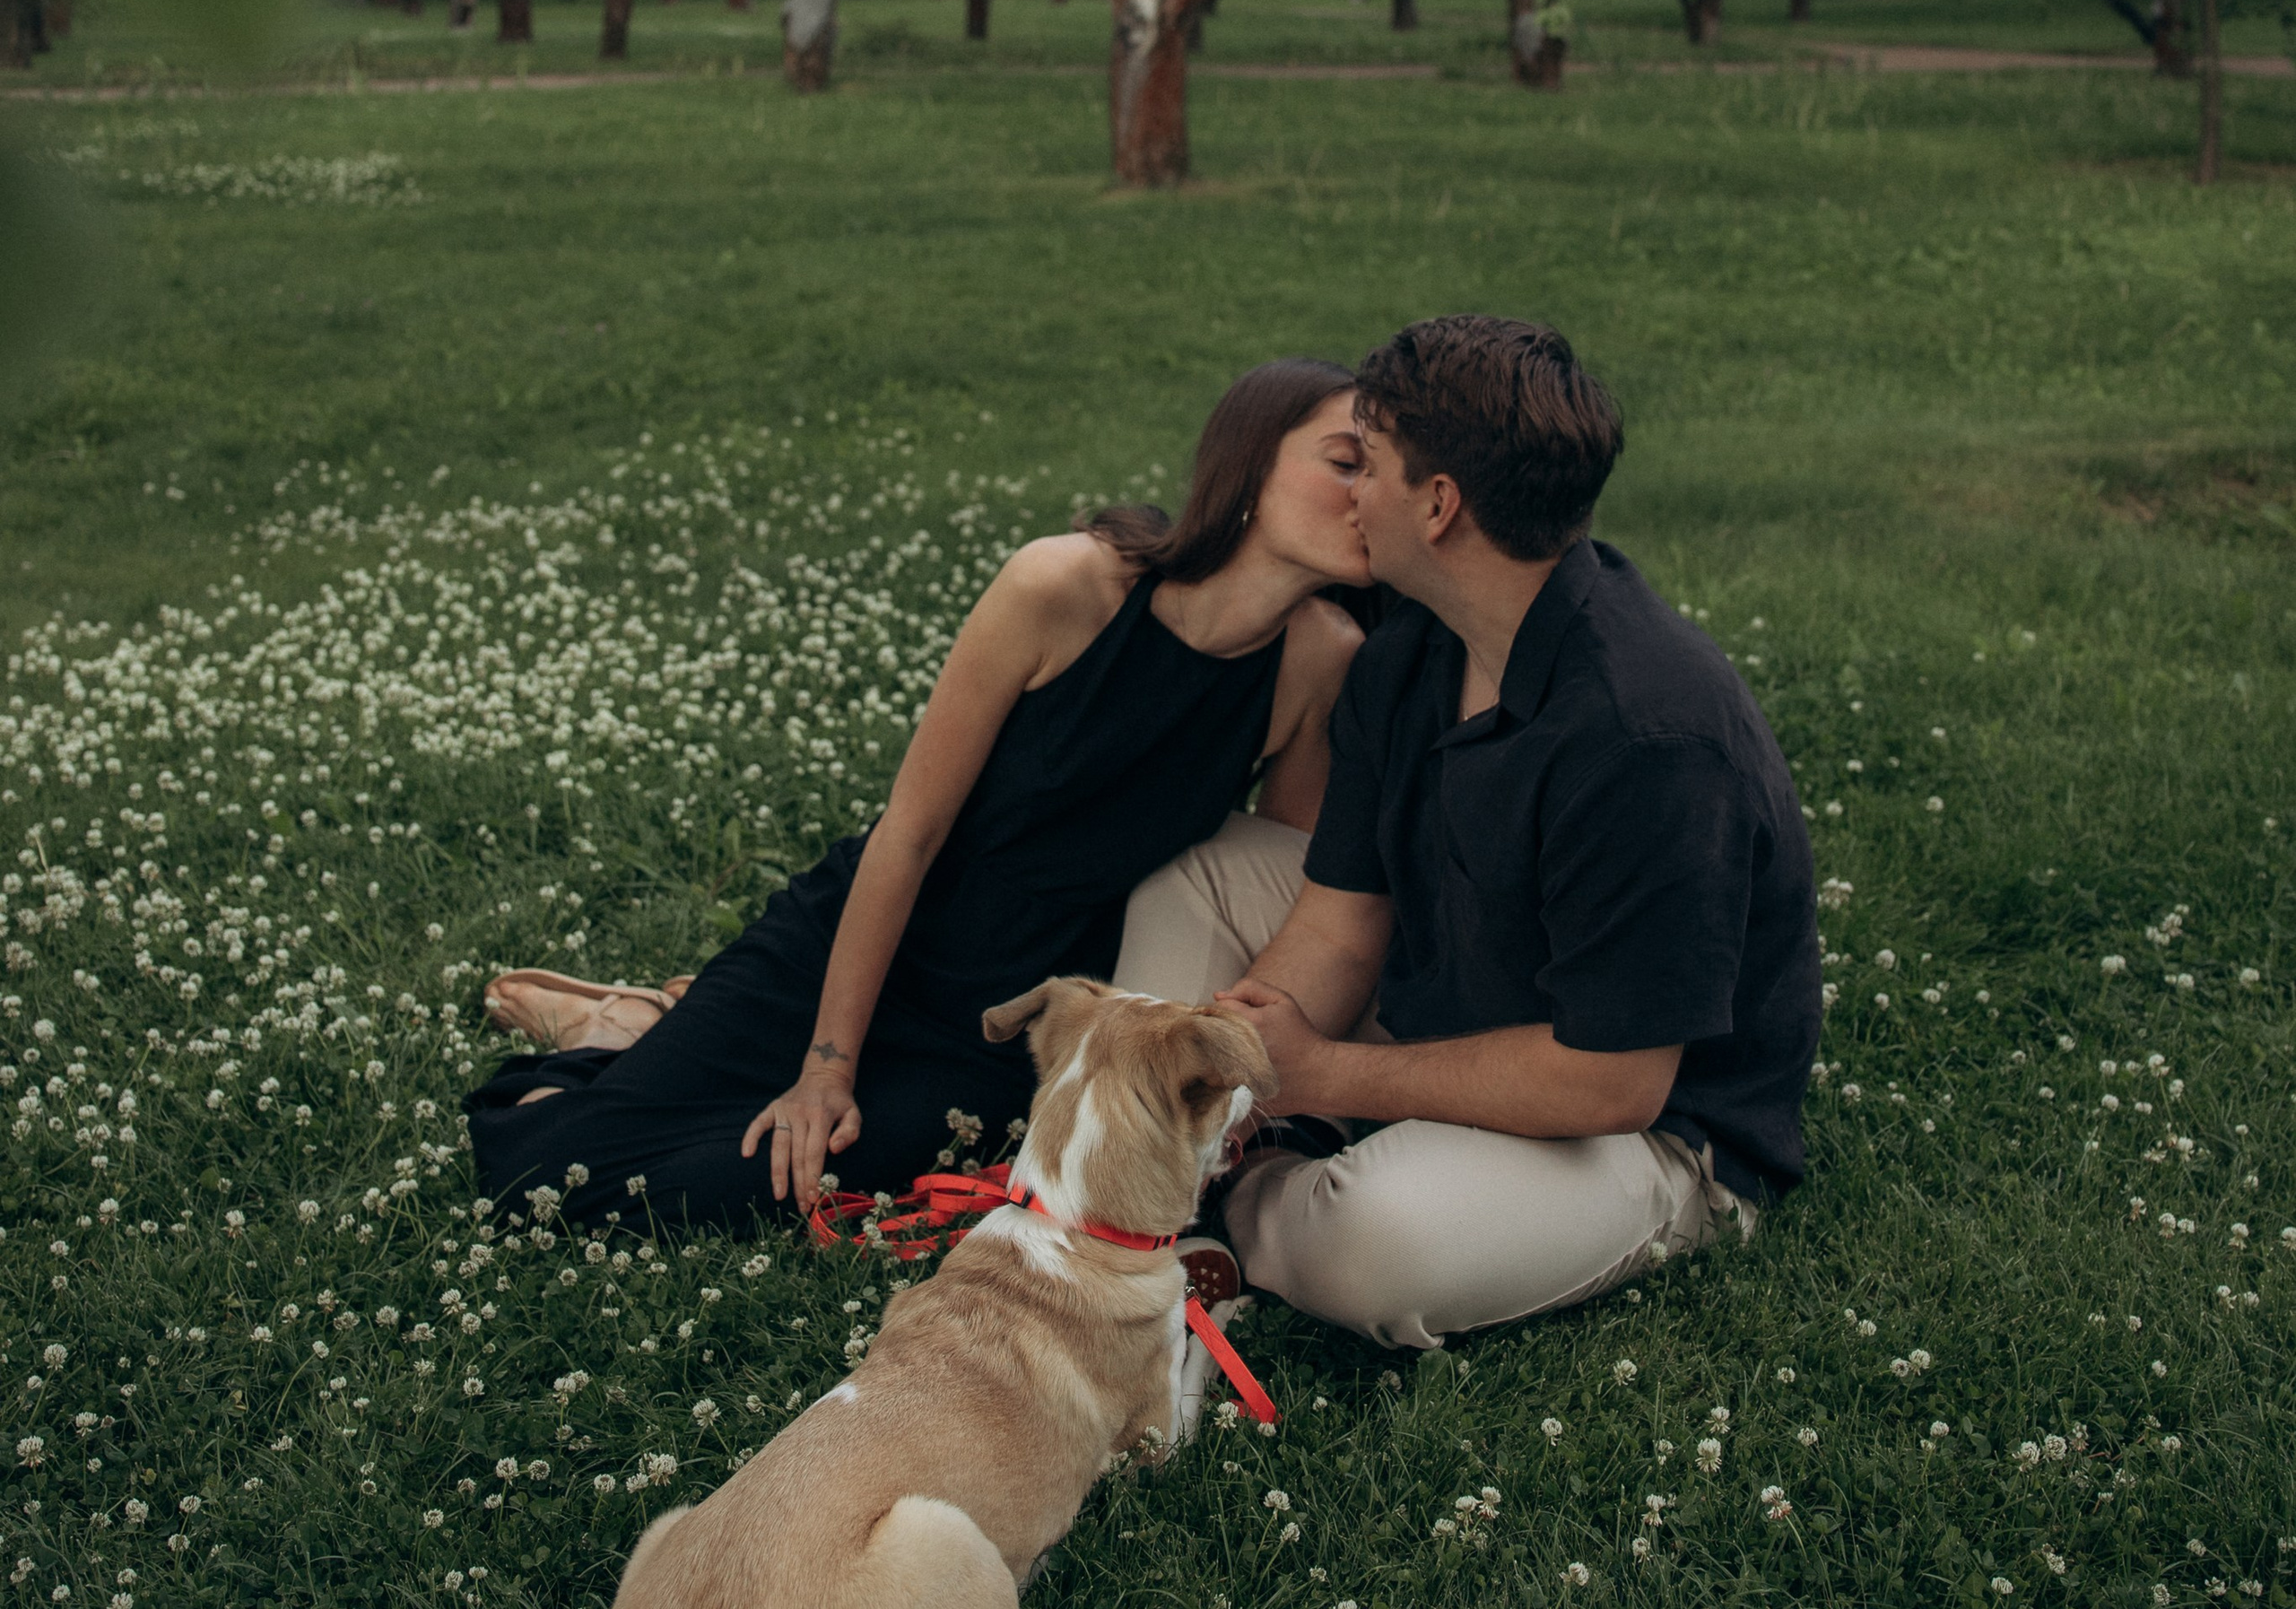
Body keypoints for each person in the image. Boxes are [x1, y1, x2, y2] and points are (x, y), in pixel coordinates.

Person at [465, 361, 1369, 1231]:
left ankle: (651, 1026)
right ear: (1249, 465)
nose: (1370, 493)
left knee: (751, 1182)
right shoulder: (1064, 585)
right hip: (872, 942)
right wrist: (827, 1066)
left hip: (1001, 1029)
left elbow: (1263, 899)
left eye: (1384, 472)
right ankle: (621, 1034)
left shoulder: (1318, 658)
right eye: (1343, 462)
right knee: (545, 1179)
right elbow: (910, 833)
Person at [1114, 314, 1821, 1352]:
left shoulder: (1646, 730)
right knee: (1199, 874)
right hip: (1455, 1000)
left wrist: (1319, 1077)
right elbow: (1343, 922)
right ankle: (1139, 1143)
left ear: (1438, 505)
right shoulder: (1411, 647)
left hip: (1648, 1125)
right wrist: (1241, 1049)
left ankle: (1249, 1194)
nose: (1353, 491)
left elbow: (1613, 1079)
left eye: (1371, 465)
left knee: (1375, 1240)